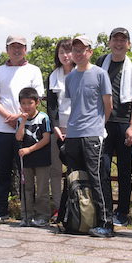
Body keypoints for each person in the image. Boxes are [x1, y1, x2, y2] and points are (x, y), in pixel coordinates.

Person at [0, 35, 44, 222]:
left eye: (20, 47)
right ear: (7, 49)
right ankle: (0, 209)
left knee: (26, 172)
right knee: (3, 170)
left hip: (27, 128)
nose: (17, 50)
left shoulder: (34, 70)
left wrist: (20, 120)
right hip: (2, 128)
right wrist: (7, 116)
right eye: (13, 47)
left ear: (26, 49)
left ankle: (27, 211)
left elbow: (37, 98)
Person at [64, 36, 114, 238]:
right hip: (73, 133)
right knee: (75, 177)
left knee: (97, 178)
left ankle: (106, 222)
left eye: (82, 49)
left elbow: (108, 104)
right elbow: (71, 106)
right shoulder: (70, 77)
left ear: (90, 51)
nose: (78, 53)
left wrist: (99, 125)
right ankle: (78, 219)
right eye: (74, 49)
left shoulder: (100, 74)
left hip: (93, 133)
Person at [95, 27, 132, 226]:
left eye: (123, 40)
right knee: (102, 167)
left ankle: (123, 212)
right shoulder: (101, 62)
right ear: (109, 42)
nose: (119, 43)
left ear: (128, 44)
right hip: (103, 122)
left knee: (125, 171)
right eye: (115, 39)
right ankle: (106, 210)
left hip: (124, 123)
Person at [46, 39, 74, 220]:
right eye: (62, 52)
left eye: (68, 51)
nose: (65, 56)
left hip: (77, 129)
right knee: (55, 171)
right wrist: (55, 126)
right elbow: (51, 104)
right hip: (57, 129)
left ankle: (74, 206)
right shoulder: (53, 75)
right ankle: (58, 208)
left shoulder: (82, 73)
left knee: (74, 170)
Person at [16, 87, 51, 227]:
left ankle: (43, 215)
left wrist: (30, 149)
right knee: (26, 188)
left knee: (42, 188)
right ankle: (26, 215)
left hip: (41, 158)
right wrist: (23, 122)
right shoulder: (20, 119)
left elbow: (46, 139)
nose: (26, 106)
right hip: (26, 161)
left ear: (36, 102)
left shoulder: (43, 117)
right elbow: (18, 137)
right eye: (23, 103)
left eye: (29, 103)